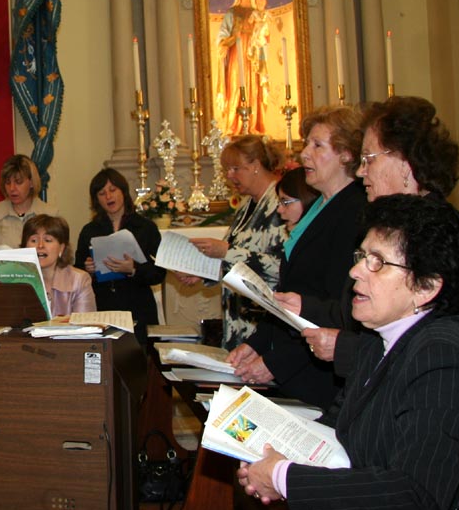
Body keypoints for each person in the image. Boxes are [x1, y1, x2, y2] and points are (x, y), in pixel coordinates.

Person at [237, 195, 459, 510]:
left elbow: (418, 494)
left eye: (378, 262)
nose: (355, 271)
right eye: (362, 256)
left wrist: (284, 477)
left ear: (426, 287)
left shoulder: (444, 355)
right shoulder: (378, 339)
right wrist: (273, 450)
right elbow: (337, 429)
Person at [280, 96, 459, 378]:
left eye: (368, 159)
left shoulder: (438, 236)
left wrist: (346, 349)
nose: (360, 171)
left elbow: (437, 347)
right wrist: (306, 307)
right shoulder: (390, 226)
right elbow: (356, 311)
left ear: (405, 163)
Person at [229, 106, 365, 410]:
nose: (305, 154)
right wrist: (257, 343)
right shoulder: (319, 205)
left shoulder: (353, 211)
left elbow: (333, 308)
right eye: (306, 144)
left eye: (317, 146)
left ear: (346, 154)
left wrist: (277, 363)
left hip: (320, 369)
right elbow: (290, 292)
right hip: (295, 359)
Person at [183, 136, 287, 349]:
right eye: (227, 170)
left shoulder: (280, 204)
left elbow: (281, 266)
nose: (229, 176)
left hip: (265, 323)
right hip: (238, 320)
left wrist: (226, 251)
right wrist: (201, 272)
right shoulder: (247, 205)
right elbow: (231, 258)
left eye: (235, 169)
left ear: (255, 165)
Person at [76, 168, 166, 344]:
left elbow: (159, 273)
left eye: (113, 190)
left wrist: (133, 269)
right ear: (96, 199)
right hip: (102, 307)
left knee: (139, 357)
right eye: (102, 193)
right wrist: (88, 270)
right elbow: (76, 270)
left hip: (138, 307)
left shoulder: (145, 227)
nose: (108, 196)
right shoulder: (89, 230)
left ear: (123, 192)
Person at [216, 0, 266, 135]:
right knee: (237, 85)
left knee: (254, 87)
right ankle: (234, 125)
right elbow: (222, 35)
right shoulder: (232, 12)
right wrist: (230, 39)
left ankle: (253, 125)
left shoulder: (257, 13)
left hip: (253, 54)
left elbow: (264, 34)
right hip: (237, 52)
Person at [21, 214, 95, 317]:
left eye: (48, 240)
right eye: (34, 240)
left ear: (61, 248)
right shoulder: (15, 279)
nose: (40, 246)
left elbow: (85, 324)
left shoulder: (79, 280)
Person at [0, 154, 58, 248]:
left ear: (31, 182)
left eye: (18, 182)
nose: (12, 188)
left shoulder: (50, 214)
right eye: (8, 182)